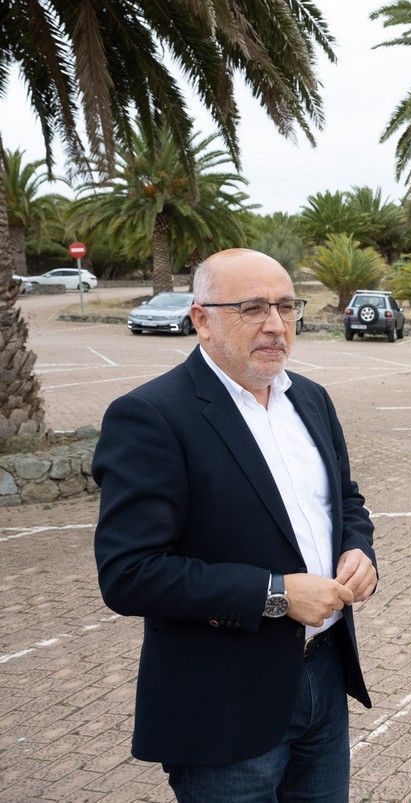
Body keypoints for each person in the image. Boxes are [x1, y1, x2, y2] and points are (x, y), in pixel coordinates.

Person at [93, 249, 378, 802]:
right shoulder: (151, 416)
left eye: (286, 306)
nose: (276, 325)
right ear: (201, 319)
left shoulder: (311, 400)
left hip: (324, 677)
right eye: (252, 308)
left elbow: (345, 500)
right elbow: (129, 573)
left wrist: (359, 550)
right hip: (222, 706)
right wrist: (275, 594)